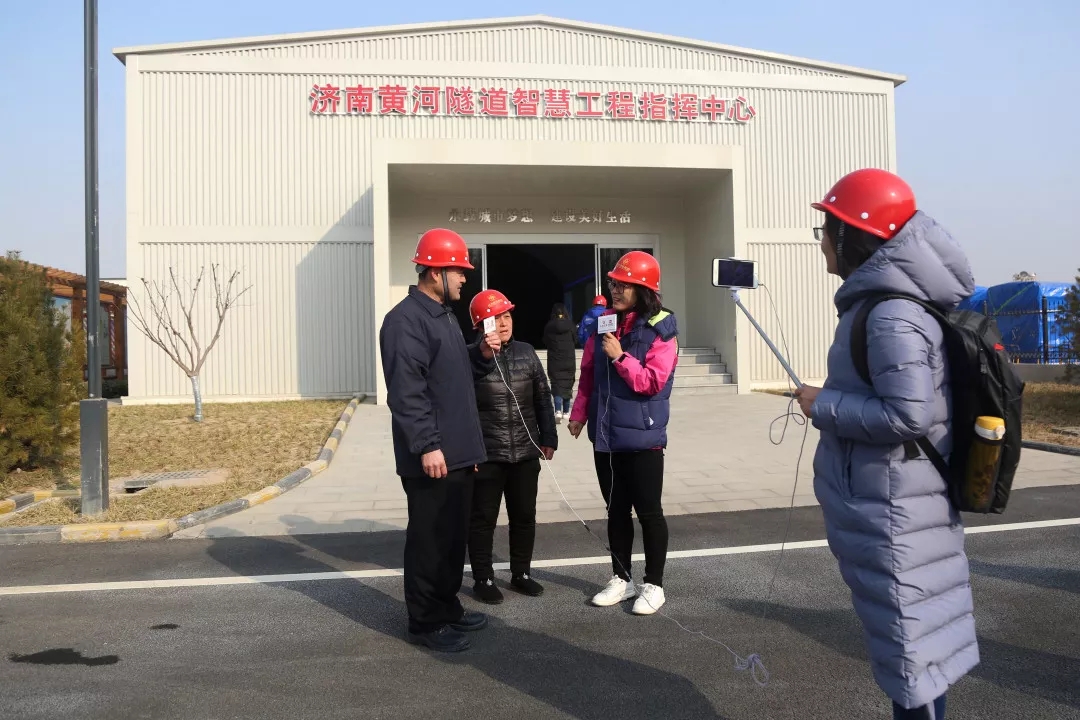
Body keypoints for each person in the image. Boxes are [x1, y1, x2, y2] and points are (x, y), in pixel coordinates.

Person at [794, 168, 978, 720]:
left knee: (912, 657)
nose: (822, 243)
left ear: (852, 235)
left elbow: (907, 414)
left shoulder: (891, 313)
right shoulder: (883, 306)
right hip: (898, 503)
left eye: (826, 230)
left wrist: (822, 404)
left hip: (897, 510)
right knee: (917, 651)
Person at [379, 227, 503, 654]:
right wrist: (428, 444)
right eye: (459, 270)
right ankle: (425, 622)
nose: (465, 278)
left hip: (459, 452)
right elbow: (407, 391)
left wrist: (479, 355)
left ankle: (447, 606)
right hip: (433, 455)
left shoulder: (443, 316)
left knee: (452, 539)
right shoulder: (404, 321)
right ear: (435, 272)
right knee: (430, 541)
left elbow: (451, 373)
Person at [566, 252, 678, 616]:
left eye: (623, 285)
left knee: (649, 513)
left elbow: (653, 382)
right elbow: (588, 374)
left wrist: (620, 357)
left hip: (643, 439)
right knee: (615, 511)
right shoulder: (605, 323)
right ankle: (622, 578)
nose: (615, 290)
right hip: (606, 437)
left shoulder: (661, 328)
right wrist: (579, 414)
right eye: (613, 283)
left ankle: (654, 584)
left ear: (643, 289)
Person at [466, 289, 558, 604]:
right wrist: (468, 450)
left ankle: (521, 574)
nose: (503, 324)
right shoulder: (469, 357)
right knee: (482, 520)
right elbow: (461, 407)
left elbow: (542, 396)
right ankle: (483, 578)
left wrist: (548, 437)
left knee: (524, 517)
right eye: (495, 319)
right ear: (481, 325)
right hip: (487, 455)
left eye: (506, 316)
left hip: (525, 451)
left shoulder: (527, 352)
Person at [542, 303, 578, 422]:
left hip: (554, 361)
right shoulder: (571, 325)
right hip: (569, 361)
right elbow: (576, 339)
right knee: (567, 385)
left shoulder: (549, 326)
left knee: (556, 385)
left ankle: (557, 411)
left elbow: (545, 341)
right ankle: (566, 412)